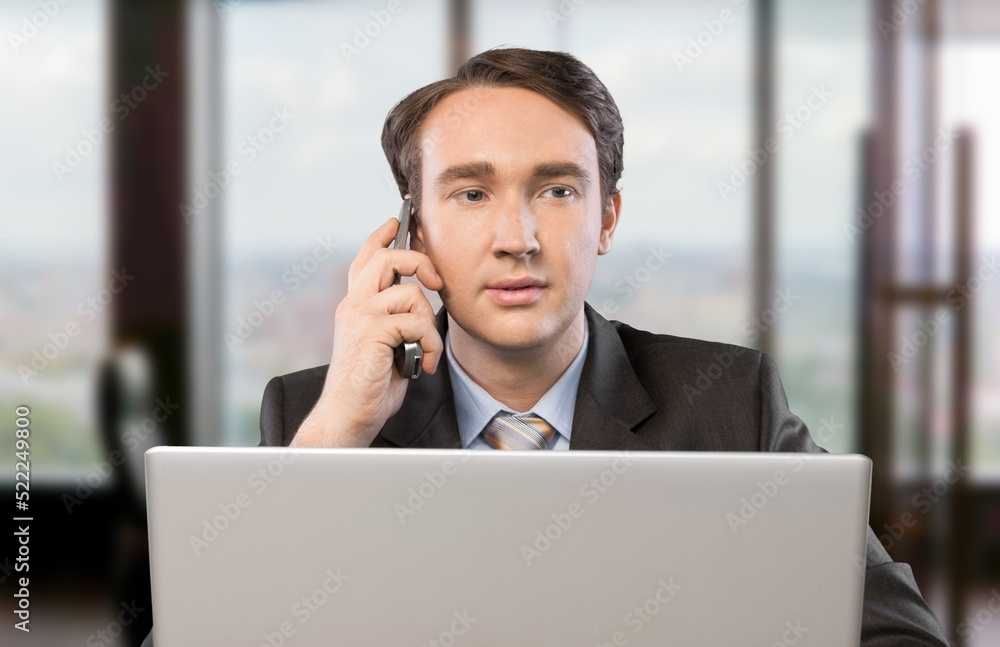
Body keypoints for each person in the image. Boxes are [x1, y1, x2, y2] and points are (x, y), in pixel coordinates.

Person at [141, 47, 948, 646]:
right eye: (471, 192)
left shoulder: (730, 400)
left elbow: (902, 637)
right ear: (410, 228)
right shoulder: (312, 413)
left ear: (607, 219)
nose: (517, 237)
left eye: (557, 190)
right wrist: (332, 441)